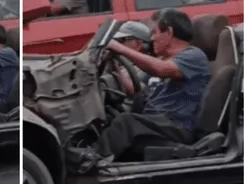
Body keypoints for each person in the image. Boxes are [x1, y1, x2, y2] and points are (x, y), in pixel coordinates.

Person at [79, 9, 209, 166]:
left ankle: (88, 163)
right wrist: (114, 63)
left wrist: (121, 49)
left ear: (169, 32)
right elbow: (137, 89)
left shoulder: (194, 56)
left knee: (126, 122)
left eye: (154, 32)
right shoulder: (163, 59)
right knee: (110, 116)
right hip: (156, 120)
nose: (151, 38)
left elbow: (161, 69)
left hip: (176, 125)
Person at [106, 21, 152, 98]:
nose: (118, 44)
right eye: (116, 40)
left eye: (121, 40)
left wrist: (117, 73)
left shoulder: (146, 69)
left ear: (138, 44)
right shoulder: (122, 62)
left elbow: (140, 94)